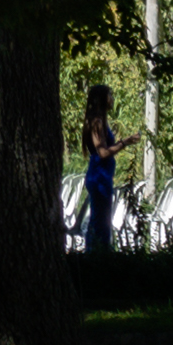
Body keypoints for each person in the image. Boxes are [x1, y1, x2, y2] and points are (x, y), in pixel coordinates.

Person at [75, 79, 120, 256]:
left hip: (103, 176)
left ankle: (98, 254)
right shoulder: (97, 122)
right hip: (99, 176)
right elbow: (102, 152)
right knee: (100, 221)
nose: (112, 99)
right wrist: (125, 142)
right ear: (102, 99)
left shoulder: (100, 121)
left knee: (101, 219)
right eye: (110, 95)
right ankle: (96, 256)